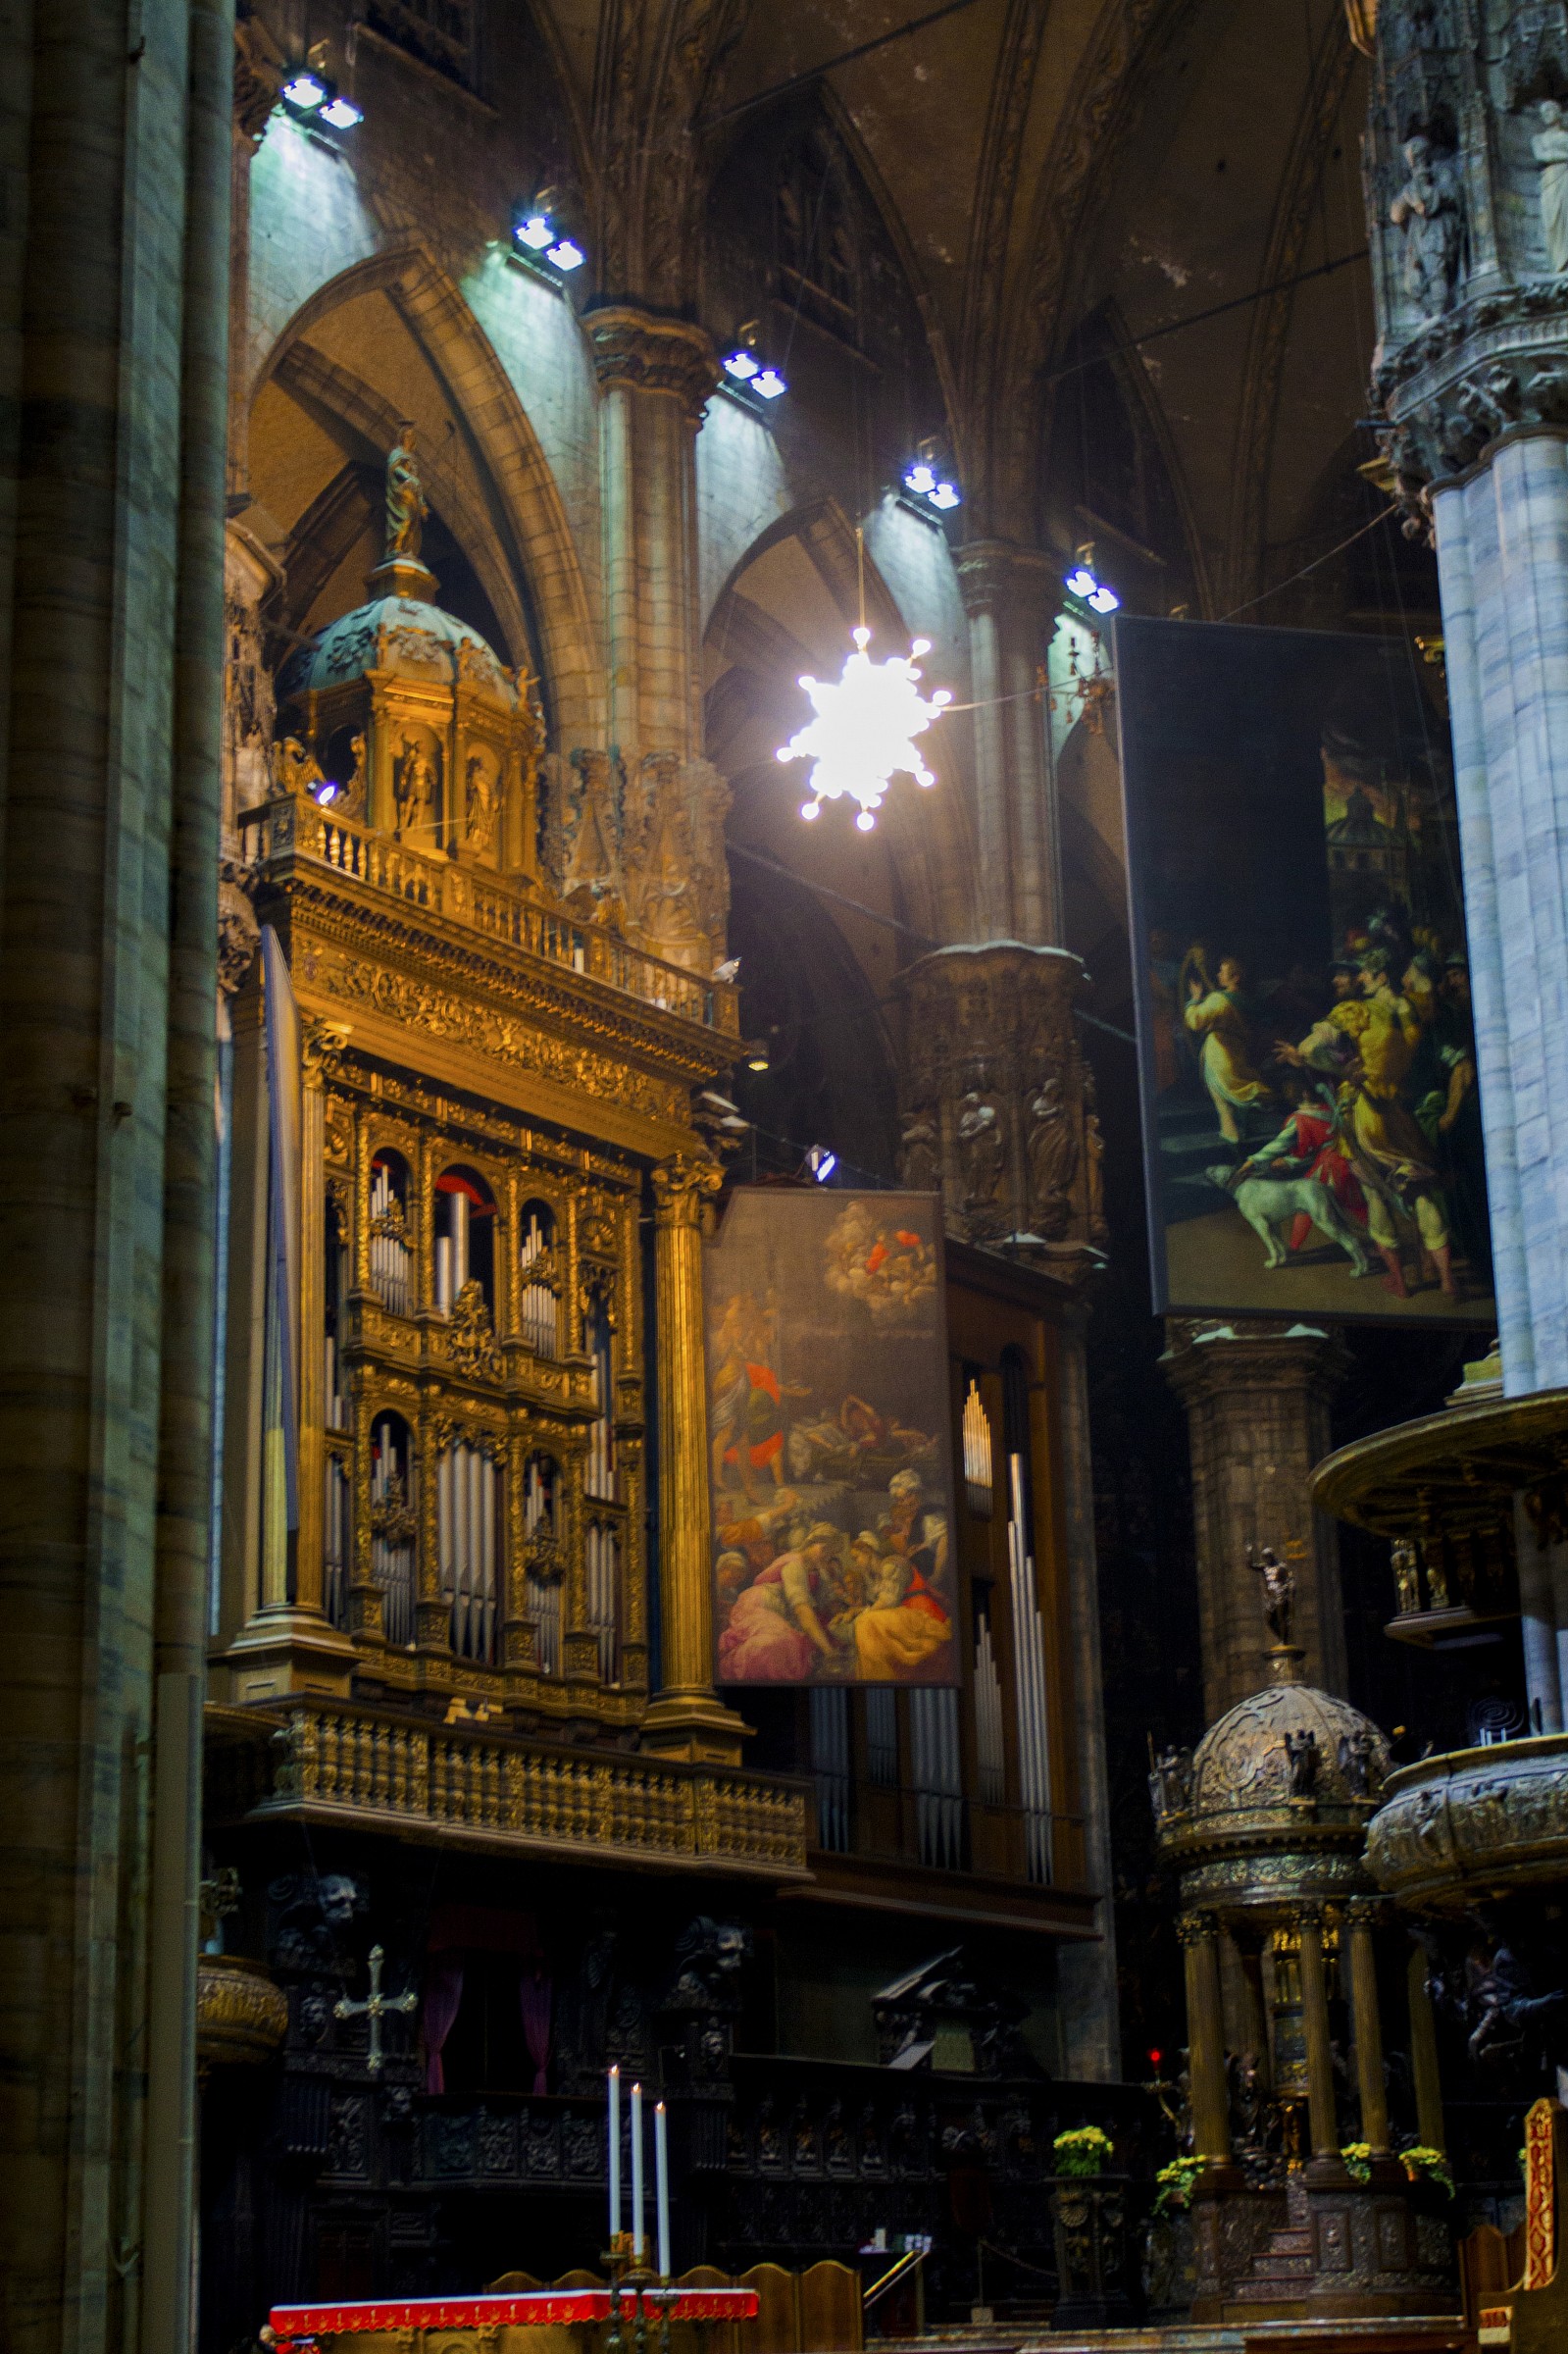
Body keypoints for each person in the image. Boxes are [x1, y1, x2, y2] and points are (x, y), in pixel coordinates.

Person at [716, 1522, 844, 1682]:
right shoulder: (795, 1565)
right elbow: (802, 1610)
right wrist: (829, 1652)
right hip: (759, 1606)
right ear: (811, 1542)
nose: (826, 1556)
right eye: (825, 1549)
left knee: (792, 1647)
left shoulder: (815, 1572)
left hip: (778, 1613)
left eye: (831, 1554)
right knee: (777, 1644)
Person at [1185, 953, 1272, 1145]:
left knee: (1223, 1104)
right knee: (1236, 1092)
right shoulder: (1246, 1001)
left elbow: (1196, 1021)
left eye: (1222, 972)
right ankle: (1243, 1133)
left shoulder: (1219, 999)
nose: (1218, 975)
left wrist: (1194, 1000)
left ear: (1236, 977)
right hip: (1238, 1052)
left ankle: (1232, 1142)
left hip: (1219, 1054)